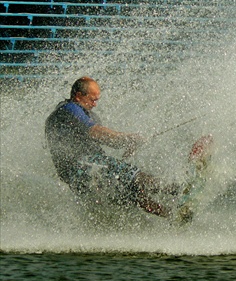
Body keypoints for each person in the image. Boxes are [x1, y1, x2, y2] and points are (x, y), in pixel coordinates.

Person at [45, 76, 174, 218]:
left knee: (134, 193)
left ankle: (172, 214)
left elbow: (107, 140)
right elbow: (96, 132)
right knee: (136, 178)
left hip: (86, 174)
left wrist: (128, 144)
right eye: (93, 99)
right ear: (79, 95)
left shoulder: (89, 115)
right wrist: (127, 138)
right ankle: (176, 189)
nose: (95, 104)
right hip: (81, 168)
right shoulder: (69, 109)